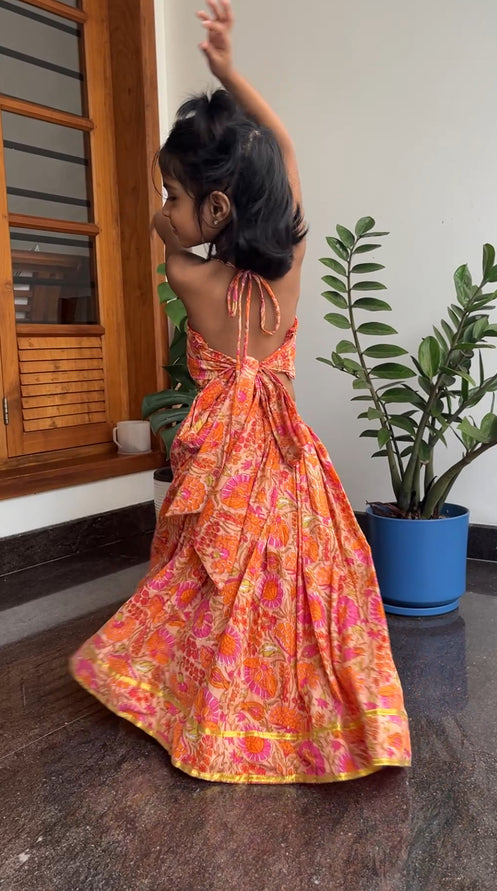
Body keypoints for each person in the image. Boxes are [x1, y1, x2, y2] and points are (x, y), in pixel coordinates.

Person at [70, 0, 411, 784]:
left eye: (171, 192)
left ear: (216, 210)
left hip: (222, 457)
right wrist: (228, 72)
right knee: (291, 570)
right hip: (284, 457)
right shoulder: (289, 266)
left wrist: (177, 217)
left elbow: (171, 232)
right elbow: (282, 148)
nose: (165, 207)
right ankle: (286, 693)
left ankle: (201, 687)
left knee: (206, 570)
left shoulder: (188, 276)